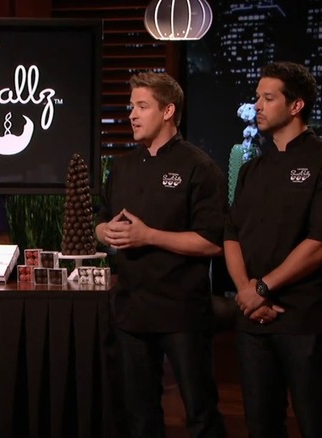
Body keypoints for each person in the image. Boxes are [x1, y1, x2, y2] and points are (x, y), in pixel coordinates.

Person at [224, 61, 322, 438]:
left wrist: (263, 287)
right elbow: (231, 234)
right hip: (253, 318)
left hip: (305, 319)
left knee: (315, 420)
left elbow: (321, 243)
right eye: (257, 98)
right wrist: (246, 292)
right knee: (260, 423)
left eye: (268, 98)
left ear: (296, 105)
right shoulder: (253, 169)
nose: (257, 106)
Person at [96, 71, 228, 437]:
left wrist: (149, 236)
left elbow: (213, 242)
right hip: (131, 310)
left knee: (200, 412)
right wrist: (103, 231)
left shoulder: (199, 167)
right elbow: (101, 218)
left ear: (168, 111)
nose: (132, 115)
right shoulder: (122, 166)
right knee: (139, 415)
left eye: (142, 106)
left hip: (181, 310)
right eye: (131, 107)